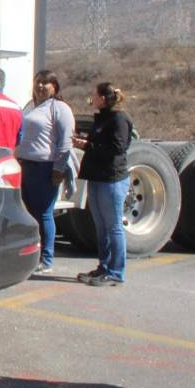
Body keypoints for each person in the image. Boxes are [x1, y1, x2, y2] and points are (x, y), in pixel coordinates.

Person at [16, 70, 75, 275]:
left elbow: (66, 141)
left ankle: (47, 259)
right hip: (25, 166)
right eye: (38, 82)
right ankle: (32, 255)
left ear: (54, 87)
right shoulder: (30, 106)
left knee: (43, 214)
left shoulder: (59, 108)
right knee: (29, 213)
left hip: (45, 167)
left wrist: (58, 168)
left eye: (45, 83)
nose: (40, 86)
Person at [73, 83, 133, 287]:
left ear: (104, 98)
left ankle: (116, 272)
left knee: (113, 226)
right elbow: (99, 144)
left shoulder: (119, 118)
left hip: (112, 179)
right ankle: (104, 266)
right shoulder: (102, 119)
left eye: (95, 95)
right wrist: (84, 143)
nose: (92, 98)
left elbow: (118, 148)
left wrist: (89, 145)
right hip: (96, 177)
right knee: (101, 226)